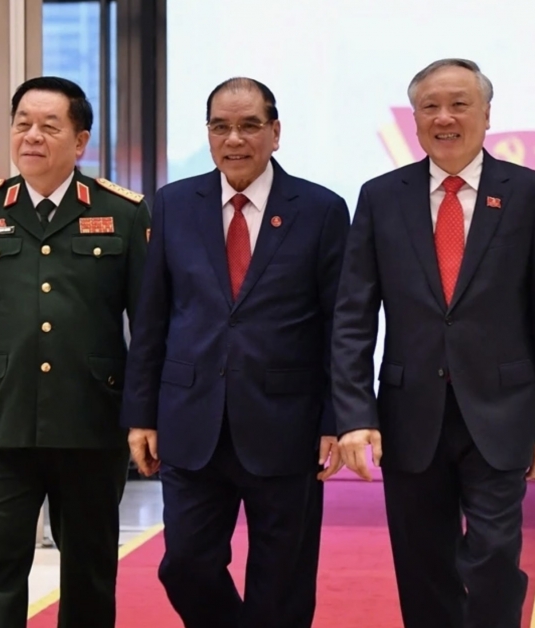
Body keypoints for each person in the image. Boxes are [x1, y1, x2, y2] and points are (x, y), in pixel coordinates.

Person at [331, 58, 535, 628]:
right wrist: (354, 414)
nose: (444, 117)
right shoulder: (381, 197)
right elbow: (353, 316)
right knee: (423, 566)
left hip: (501, 412)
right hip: (409, 413)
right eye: (430, 107)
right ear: (415, 118)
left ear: (486, 114)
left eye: (459, 104)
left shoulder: (531, 194)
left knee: (493, 559)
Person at [122, 77, 349, 628]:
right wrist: (141, 415)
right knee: (185, 565)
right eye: (221, 126)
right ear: (208, 134)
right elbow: (151, 318)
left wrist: (335, 419)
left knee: (283, 580)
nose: (234, 139)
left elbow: (339, 325)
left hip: (286, 422)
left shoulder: (320, 209)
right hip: (190, 419)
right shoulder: (174, 204)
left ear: (275, 132)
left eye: (249, 125)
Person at [0, 76, 150, 628]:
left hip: (91, 423)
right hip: (0, 423)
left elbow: (148, 326)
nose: (32, 136)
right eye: (22, 124)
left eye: (49, 126)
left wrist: (145, 416)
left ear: (80, 141)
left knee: (90, 570)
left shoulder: (123, 213)